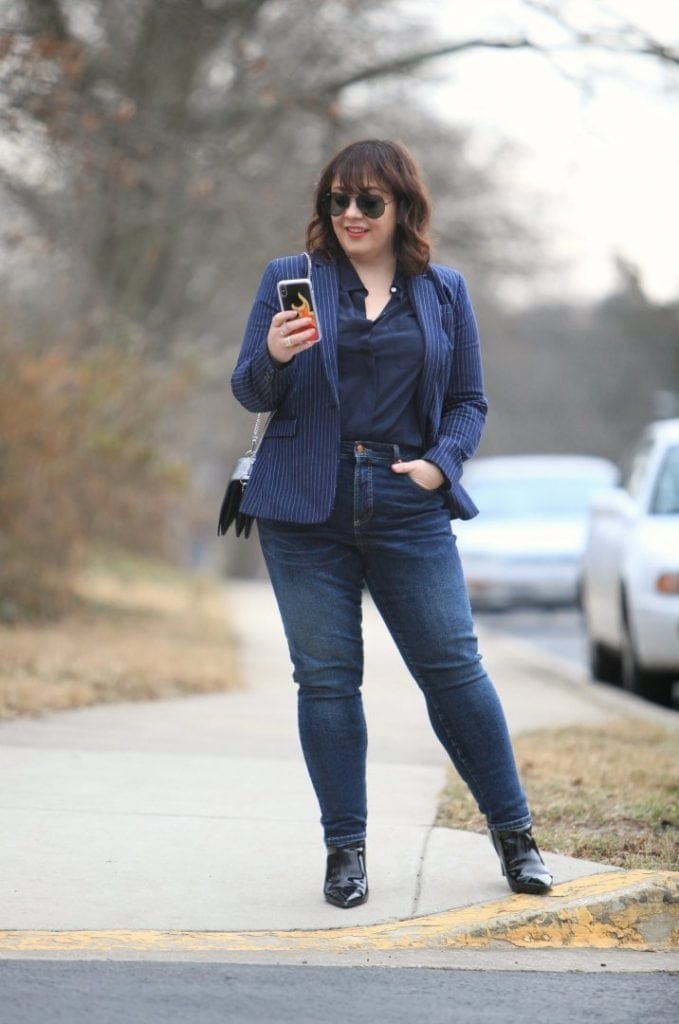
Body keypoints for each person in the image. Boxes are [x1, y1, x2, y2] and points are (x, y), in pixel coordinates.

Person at [231, 139, 552, 909]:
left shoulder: (442, 292)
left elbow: (469, 400)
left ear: (401, 206)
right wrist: (274, 354)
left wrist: (441, 463)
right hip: (304, 505)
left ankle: (516, 837)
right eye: (336, 200)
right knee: (328, 681)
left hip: (407, 500)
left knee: (453, 670)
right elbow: (249, 389)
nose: (349, 214)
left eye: (367, 201)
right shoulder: (293, 280)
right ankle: (345, 853)